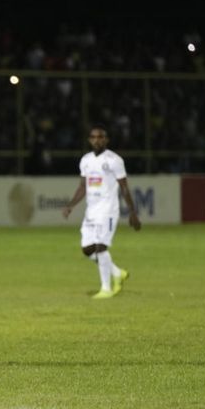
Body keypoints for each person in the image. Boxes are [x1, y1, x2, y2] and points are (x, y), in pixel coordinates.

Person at [62, 124, 141, 299]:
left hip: (108, 210)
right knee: (87, 249)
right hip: (91, 211)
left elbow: (125, 188)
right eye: (94, 137)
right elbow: (83, 186)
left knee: (101, 247)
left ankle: (106, 289)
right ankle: (117, 272)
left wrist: (133, 213)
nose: (97, 140)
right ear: (90, 140)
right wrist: (71, 205)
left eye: (101, 137)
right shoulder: (86, 160)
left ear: (106, 140)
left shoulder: (114, 160)